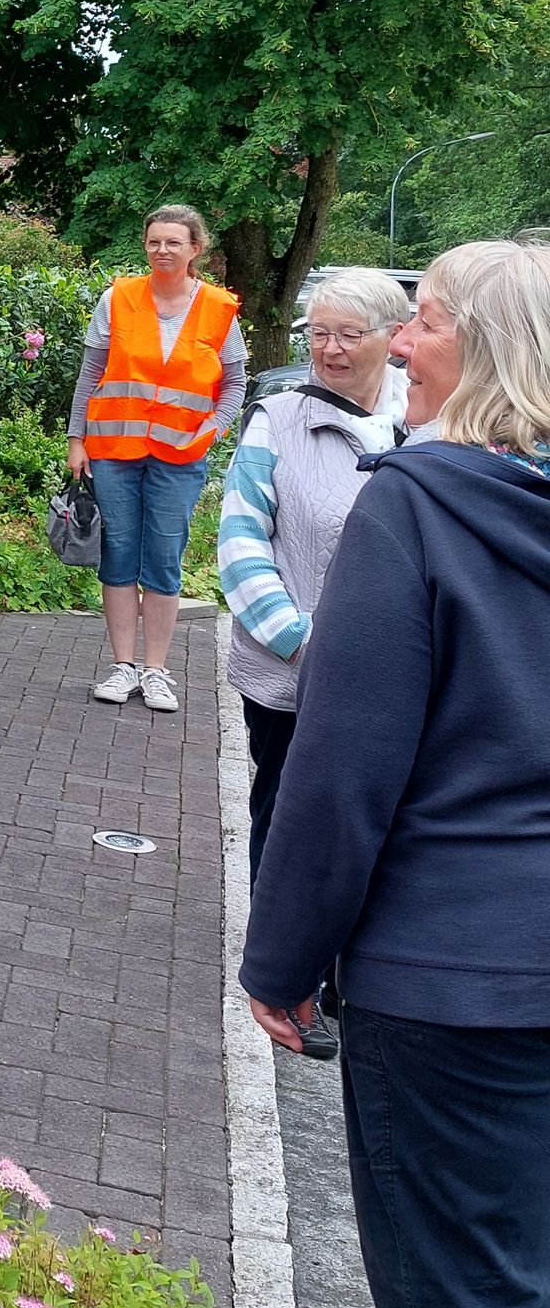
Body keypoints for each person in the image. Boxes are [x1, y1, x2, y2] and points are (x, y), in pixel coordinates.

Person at [241, 242, 550, 1308]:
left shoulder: (415, 510)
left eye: (420, 318)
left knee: (468, 1307)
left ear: (474, 349)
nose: (397, 341)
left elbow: (343, 767)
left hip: (455, 985)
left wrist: (281, 957)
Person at [218, 266, 409, 897]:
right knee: (284, 820)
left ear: (393, 335)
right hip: (291, 671)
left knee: (378, 829)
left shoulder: (432, 419)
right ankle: (275, 965)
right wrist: (301, 642)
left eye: (350, 334)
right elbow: (240, 541)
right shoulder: (277, 420)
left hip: (395, 677)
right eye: (319, 333)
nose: (330, 349)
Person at [67, 204, 246, 711]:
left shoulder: (217, 308)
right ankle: (123, 667)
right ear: (145, 246)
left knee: (164, 558)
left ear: (196, 249)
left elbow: (234, 383)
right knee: (119, 552)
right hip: (115, 450)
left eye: (173, 242)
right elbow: (90, 374)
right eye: (153, 242)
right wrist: (75, 438)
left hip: (180, 457)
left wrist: (210, 430)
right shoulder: (118, 298)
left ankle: (156, 671)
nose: (162, 250)